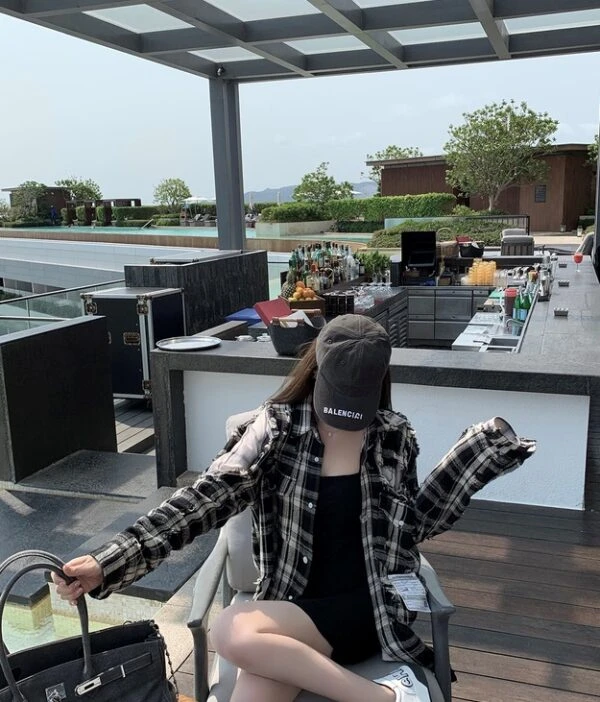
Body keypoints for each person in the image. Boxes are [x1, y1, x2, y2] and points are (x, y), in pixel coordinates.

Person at [53, 315, 536, 702]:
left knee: (231, 627)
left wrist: (477, 458)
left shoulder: (393, 435)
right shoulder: (275, 430)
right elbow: (201, 501)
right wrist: (109, 562)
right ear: (317, 370)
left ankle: (383, 697)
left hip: (369, 609)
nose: (345, 417)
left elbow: (412, 527)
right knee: (243, 653)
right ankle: (387, 696)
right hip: (292, 612)